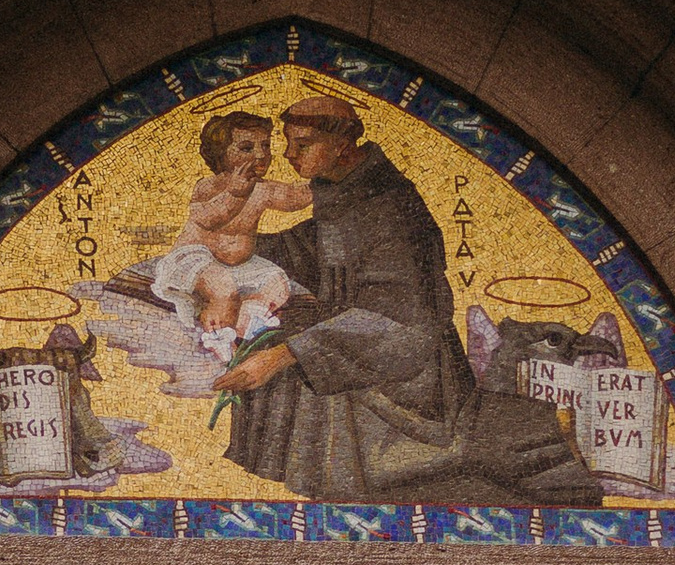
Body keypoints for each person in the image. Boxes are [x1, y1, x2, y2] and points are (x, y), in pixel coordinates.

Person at [214, 87, 604, 507]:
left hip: (408, 380)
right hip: (356, 343)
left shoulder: (392, 209)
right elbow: (318, 250)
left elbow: (402, 322)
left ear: (341, 145)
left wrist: (287, 354)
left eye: (303, 144)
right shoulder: (347, 193)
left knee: (286, 365)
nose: (289, 155)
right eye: (289, 143)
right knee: (268, 338)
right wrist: (231, 254)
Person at [147, 110, 307, 350]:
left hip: (241, 265)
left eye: (265, 145)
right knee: (224, 289)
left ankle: (249, 319)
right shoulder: (210, 186)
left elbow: (292, 198)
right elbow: (208, 219)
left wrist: (320, 183)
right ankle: (218, 337)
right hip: (197, 259)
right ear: (221, 154)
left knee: (277, 286)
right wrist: (234, 194)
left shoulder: (263, 188)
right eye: (246, 148)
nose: (260, 154)